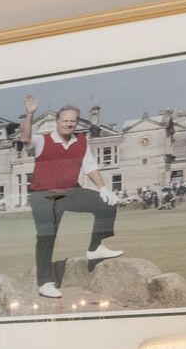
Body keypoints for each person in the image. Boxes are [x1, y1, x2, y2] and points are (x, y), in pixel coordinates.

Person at [19, 94, 122, 299]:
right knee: (47, 236)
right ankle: (45, 283)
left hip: (70, 192)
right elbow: (25, 139)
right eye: (65, 120)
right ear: (57, 122)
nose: (69, 124)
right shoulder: (43, 140)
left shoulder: (81, 141)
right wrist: (30, 114)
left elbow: (90, 167)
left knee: (107, 204)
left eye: (73, 121)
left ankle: (95, 248)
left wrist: (103, 188)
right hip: (44, 195)